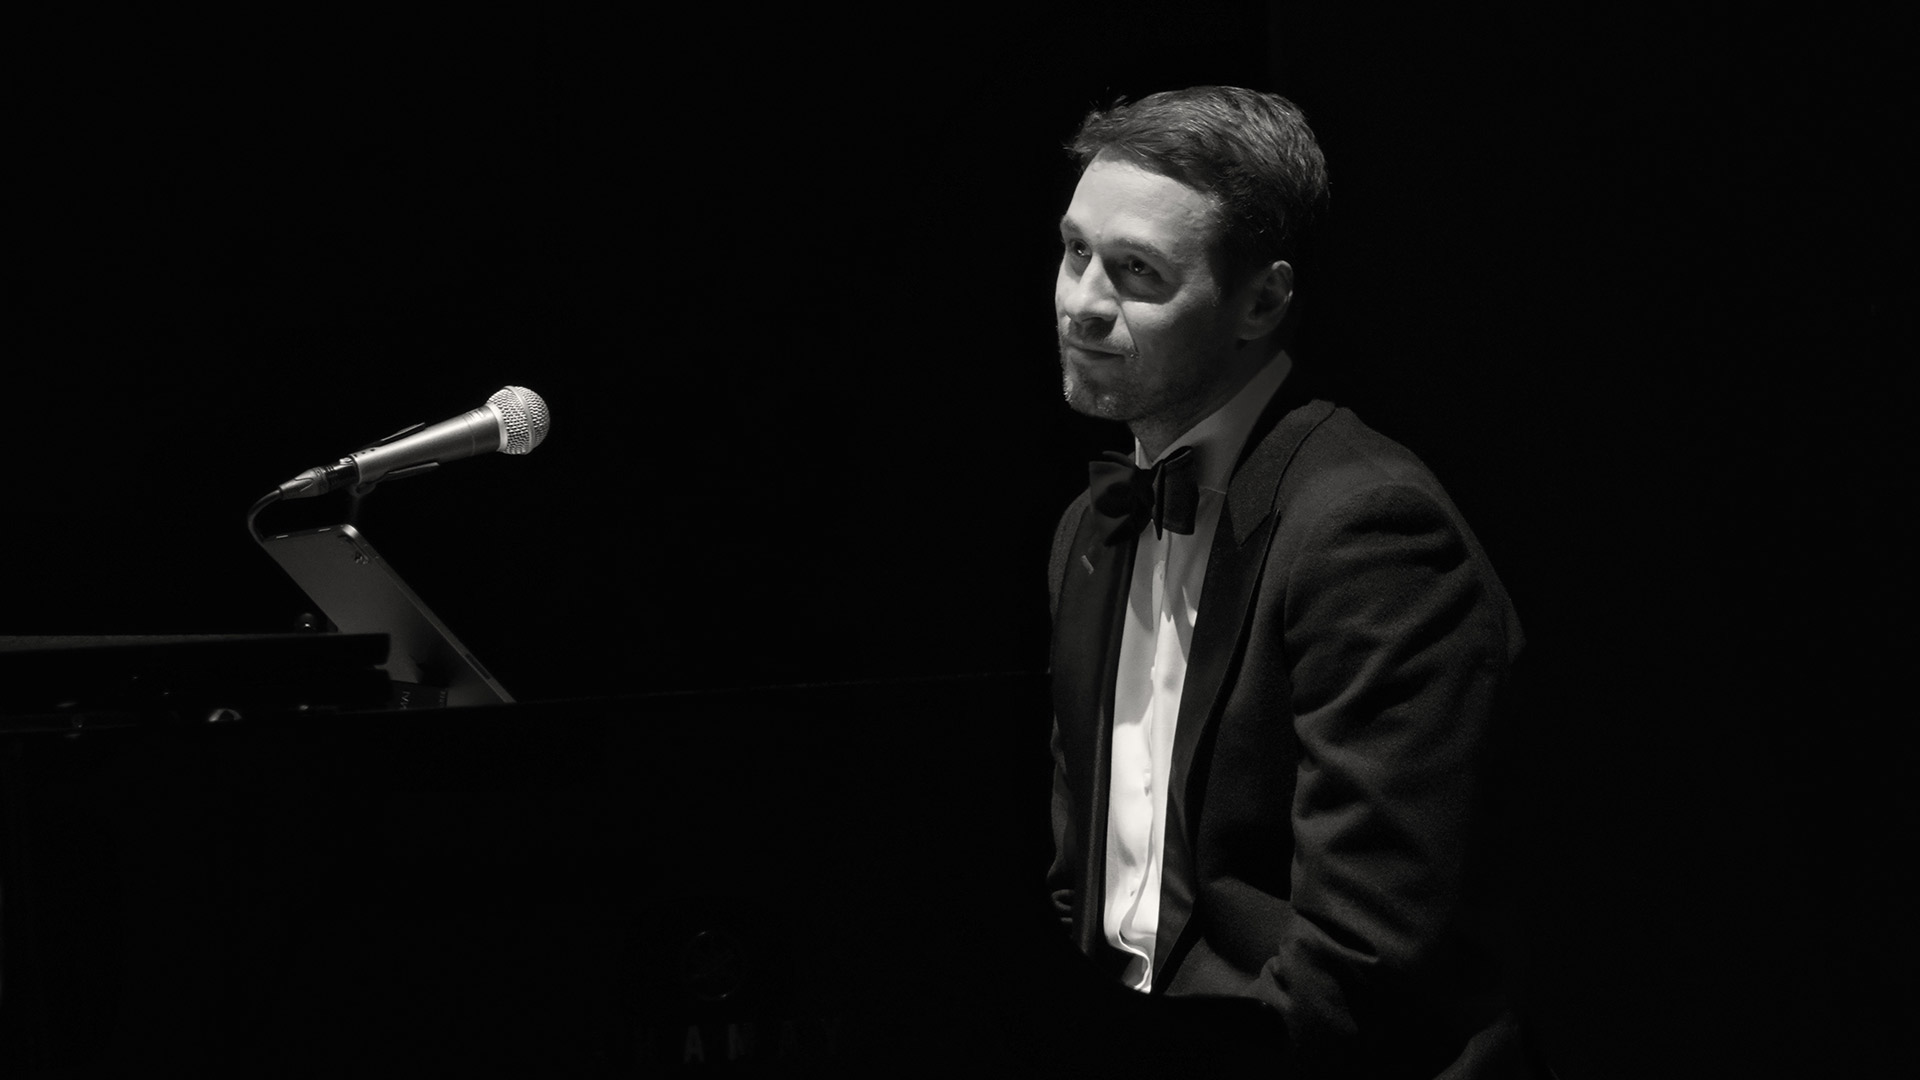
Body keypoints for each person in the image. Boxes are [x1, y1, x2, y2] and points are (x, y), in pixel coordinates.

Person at [1046, 86, 1535, 1077]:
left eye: (1138, 271)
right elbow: (1082, 887)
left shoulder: (1370, 530)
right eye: (1074, 250)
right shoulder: (1089, 528)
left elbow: (1364, 967)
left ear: (1262, 303)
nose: (1082, 302)